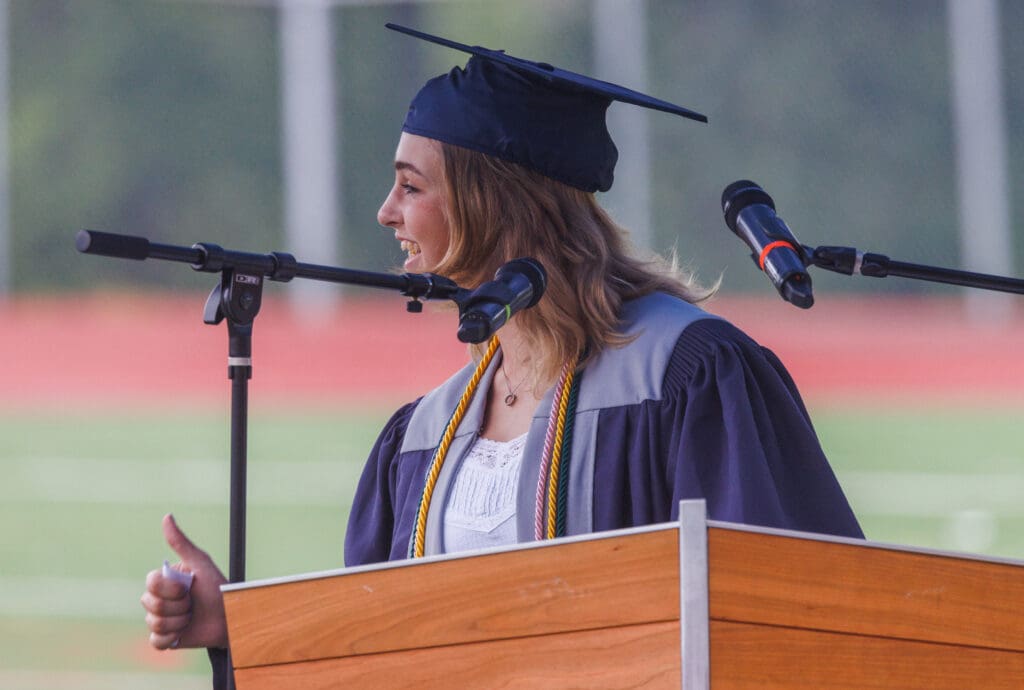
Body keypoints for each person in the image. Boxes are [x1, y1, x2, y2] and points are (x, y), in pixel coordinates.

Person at [141, 23, 862, 683]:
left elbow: (793, 614)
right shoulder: (426, 432)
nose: (386, 212)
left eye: (411, 185)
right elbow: (384, 651)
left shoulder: (685, 375)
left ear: (495, 202)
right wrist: (236, 627)